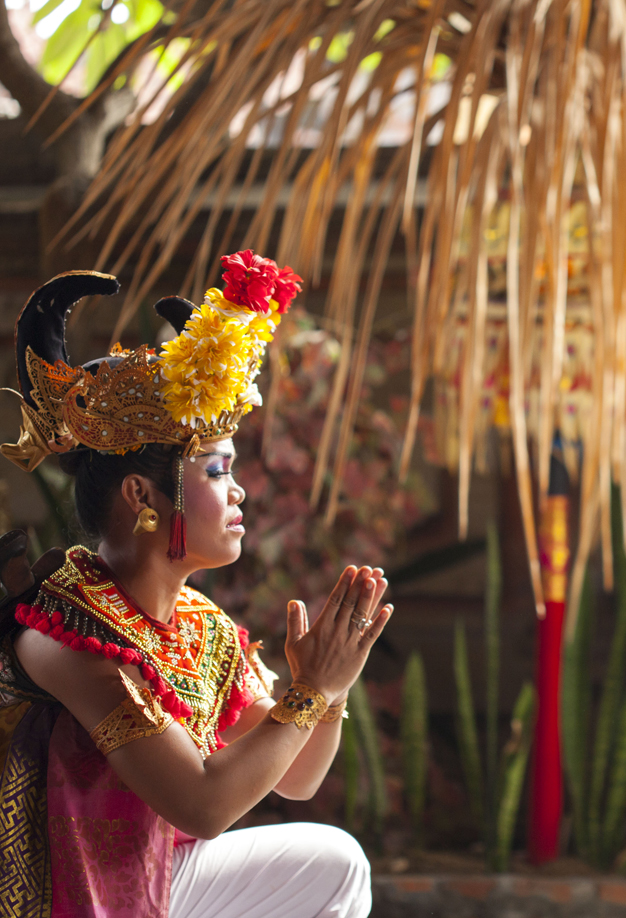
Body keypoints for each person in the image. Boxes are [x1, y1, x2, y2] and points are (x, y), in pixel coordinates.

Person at [0, 251, 391, 917]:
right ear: (140, 494)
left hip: (150, 878)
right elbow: (203, 805)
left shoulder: (199, 626)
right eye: (215, 472)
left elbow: (296, 777)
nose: (239, 490)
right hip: (62, 898)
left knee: (335, 865)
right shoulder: (65, 632)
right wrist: (311, 690)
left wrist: (332, 683)